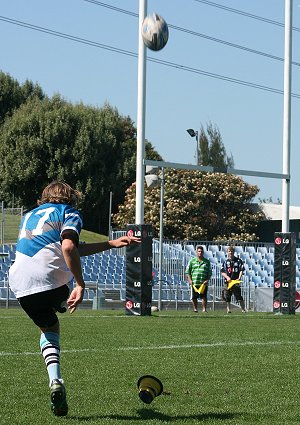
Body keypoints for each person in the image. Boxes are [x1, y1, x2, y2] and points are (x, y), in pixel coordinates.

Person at [8, 181, 140, 417]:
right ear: (70, 197)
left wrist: (111, 244)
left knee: (48, 327)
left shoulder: (29, 215)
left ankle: (55, 380)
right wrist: (80, 284)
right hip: (49, 276)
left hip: (19, 281)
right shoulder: (68, 212)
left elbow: (68, 247)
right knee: (54, 319)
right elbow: (68, 247)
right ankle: (55, 376)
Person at [185, 245, 212, 313]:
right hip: (194, 282)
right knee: (194, 297)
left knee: (204, 296)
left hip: (203, 283)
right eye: (199, 251)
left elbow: (209, 273)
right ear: (196, 252)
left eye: (201, 251)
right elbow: (187, 272)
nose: (200, 253)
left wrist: (207, 280)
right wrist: (190, 280)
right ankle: (195, 309)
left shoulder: (207, 262)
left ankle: (204, 309)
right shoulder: (192, 261)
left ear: (203, 252)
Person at [221, 245, 246, 314]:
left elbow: (241, 270)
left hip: (235, 281)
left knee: (238, 295)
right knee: (227, 295)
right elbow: (222, 272)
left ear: (234, 252)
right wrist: (227, 277)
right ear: (227, 252)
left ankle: (243, 309)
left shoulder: (238, 261)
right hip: (228, 281)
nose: (230, 252)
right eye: (229, 251)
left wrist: (239, 277)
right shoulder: (225, 262)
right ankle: (228, 309)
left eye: (232, 251)